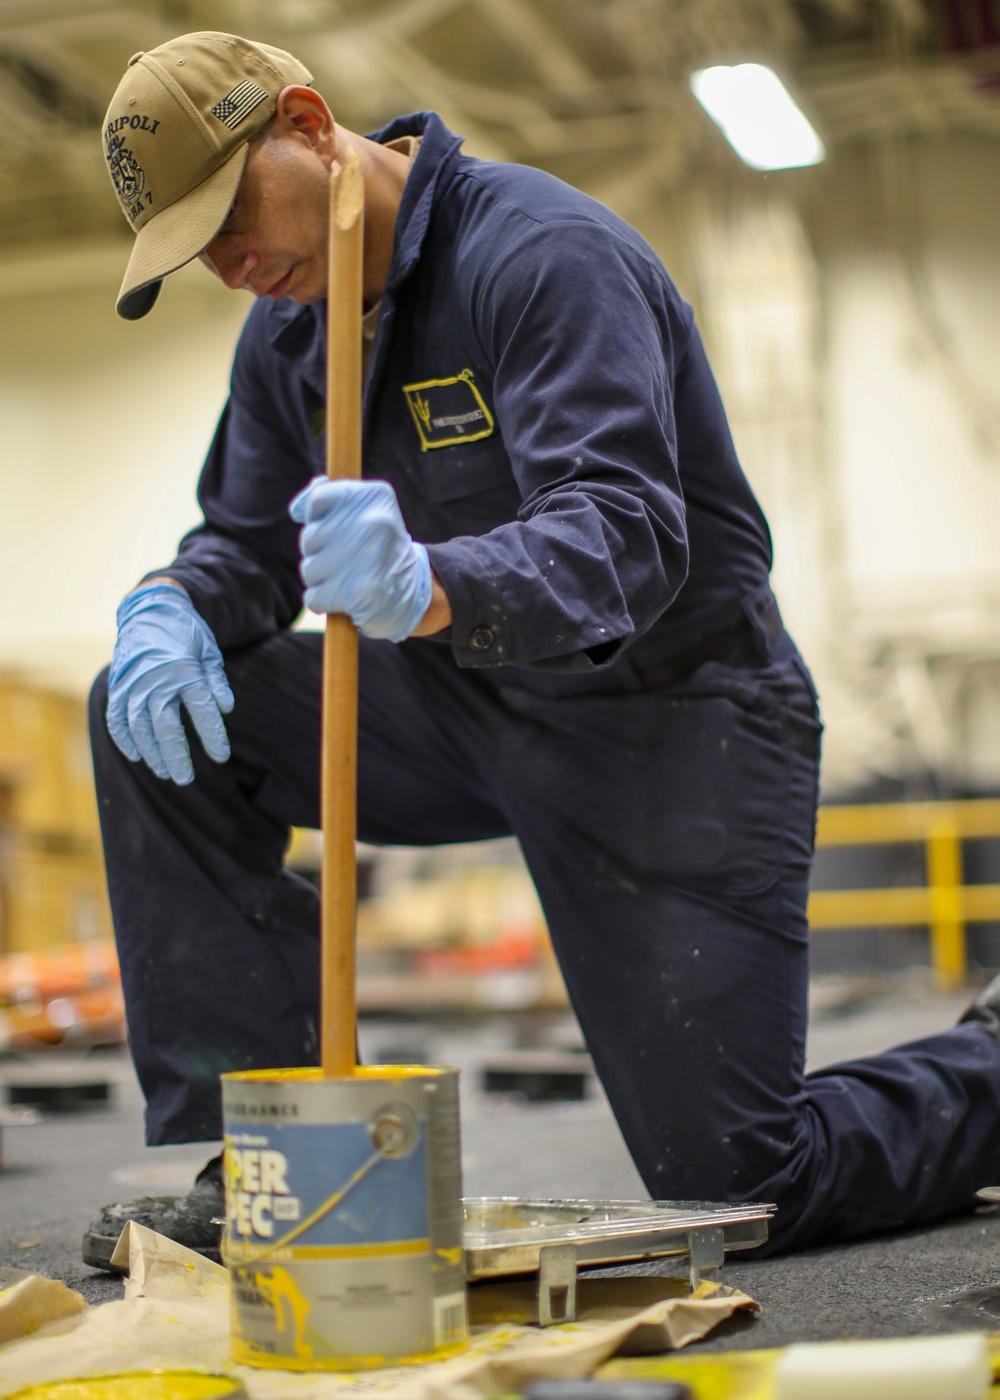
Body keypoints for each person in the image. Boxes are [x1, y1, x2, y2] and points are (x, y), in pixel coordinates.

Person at [84, 29, 1000, 1271]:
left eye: (232, 211)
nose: (234, 265)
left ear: (305, 121)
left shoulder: (541, 254)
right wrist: (174, 601)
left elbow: (625, 532)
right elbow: (242, 544)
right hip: (461, 705)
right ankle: (258, 1162)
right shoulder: (288, 331)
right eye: (200, 252)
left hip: (673, 718)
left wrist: (430, 580)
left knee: (738, 1184)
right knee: (159, 718)